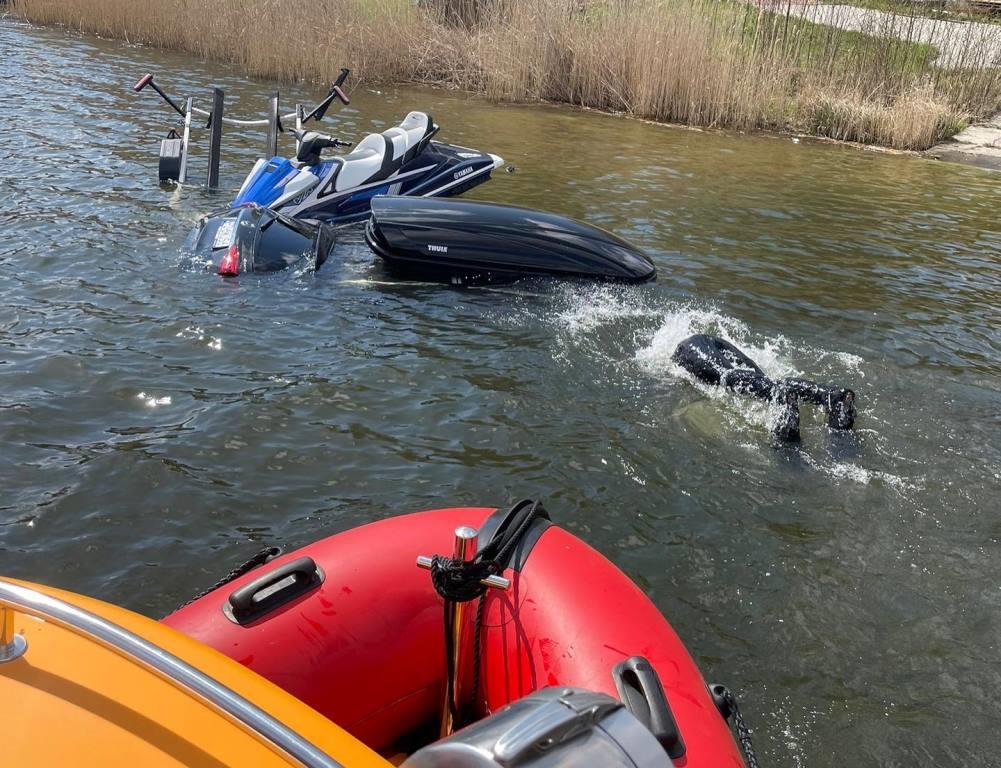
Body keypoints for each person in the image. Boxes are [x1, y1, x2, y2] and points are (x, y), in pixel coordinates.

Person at [671, 334, 857, 442]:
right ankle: (829, 395)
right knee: (766, 381)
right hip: (705, 343)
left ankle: (782, 398)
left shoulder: (675, 352)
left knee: (726, 376)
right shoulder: (700, 338)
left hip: (691, 349)